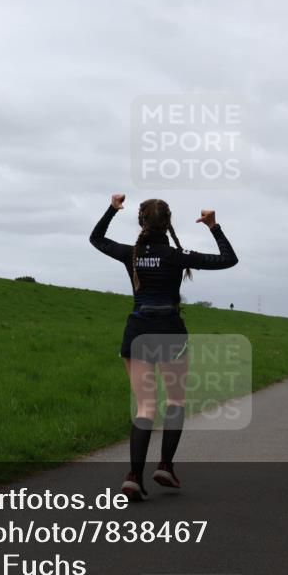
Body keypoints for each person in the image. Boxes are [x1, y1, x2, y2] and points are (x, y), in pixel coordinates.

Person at [90, 194, 238, 501]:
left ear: (141, 222)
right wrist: (213, 226)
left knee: (145, 407)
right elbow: (228, 259)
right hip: (171, 331)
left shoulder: (130, 253)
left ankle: (133, 476)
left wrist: (112, 209)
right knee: (175, 403)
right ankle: (166, 467)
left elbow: (96, 238)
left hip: (138, 331)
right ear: (168, 223)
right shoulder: (178, 256)